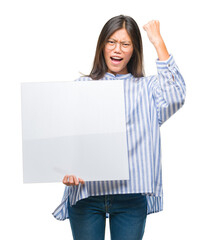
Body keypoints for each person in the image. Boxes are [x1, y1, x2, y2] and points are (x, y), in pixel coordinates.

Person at [53, 15, 186, 240]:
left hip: (130, 197)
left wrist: (157, 41)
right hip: (87, 195)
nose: (117, 49)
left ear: (134, 49)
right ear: (102, 45)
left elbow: (176, 95)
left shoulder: (148, 89)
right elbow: (67, 139)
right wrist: (64, 169)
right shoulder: (82, 87)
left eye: (125, 44)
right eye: (111, 42)